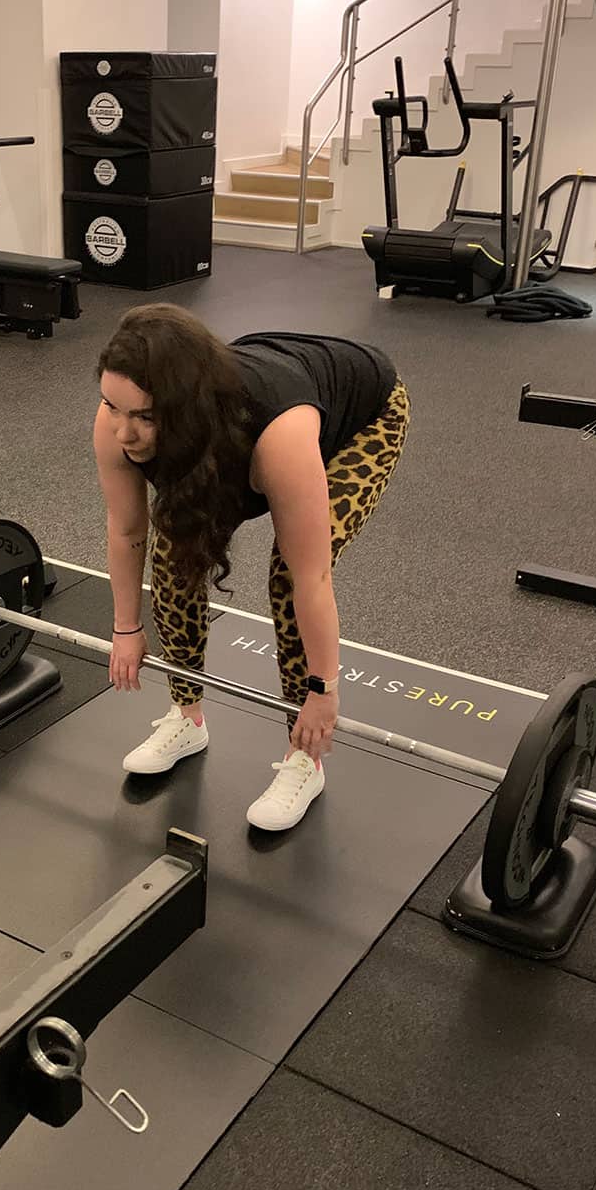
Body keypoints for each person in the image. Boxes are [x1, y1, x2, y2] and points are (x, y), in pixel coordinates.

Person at [93, 303, 410, 832]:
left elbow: (312, 578)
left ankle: (305, 757)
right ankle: (186, 716)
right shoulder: (117, 420)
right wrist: (125, 627)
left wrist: (323, 692)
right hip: (239, 418)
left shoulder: (279, 437)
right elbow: (128, 532)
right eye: (112, 407)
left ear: (182, 406)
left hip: (363, 414)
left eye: (143, 417)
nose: (122, 432)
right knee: (174, 548)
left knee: (289, 574)